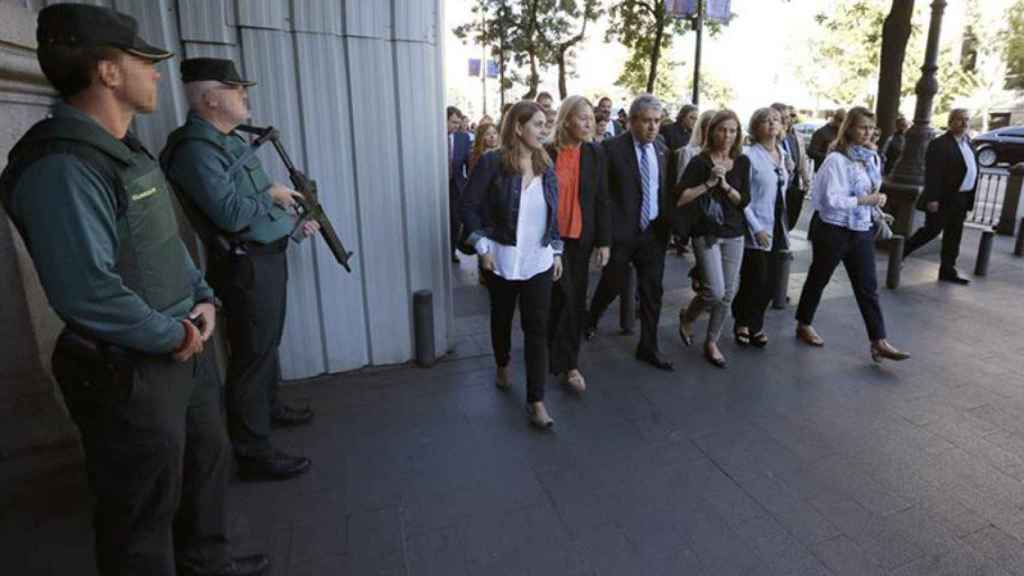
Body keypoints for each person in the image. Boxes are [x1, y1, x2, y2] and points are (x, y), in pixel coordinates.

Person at [0, 5, 268, 575]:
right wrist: (172, 335)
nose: (157, 73)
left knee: (204, 464)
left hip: (181, 343)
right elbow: (88, 290)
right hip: (136, 366)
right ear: (108, 72)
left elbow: (165, 242)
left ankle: (208, 563)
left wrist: (201, 295)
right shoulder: (63, 164)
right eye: (144, 61)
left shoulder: (125, 147)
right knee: (141, 513)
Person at [162, 58, 318, 482]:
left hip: (264, 257)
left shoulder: (228, 142)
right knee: (251, 355)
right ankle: (253, 450)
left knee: (265, 344)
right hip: (244, 265)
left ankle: (268, 408)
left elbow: (257, 209)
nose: (244, 95)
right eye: (234, 89)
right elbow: (231, 214)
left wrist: (295, 226)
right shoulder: (196, 149)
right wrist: (271, 193)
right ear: (210, 97)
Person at [460, 100, 564, 429]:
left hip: (539, 260)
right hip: (502, 258)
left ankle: (536, 401)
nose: (544, 129)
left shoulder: (547, 164)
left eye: (546, 124)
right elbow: (468, 206)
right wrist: (481, 246)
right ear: (518, 127)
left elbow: (553, 214)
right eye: (537, 123)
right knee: (502, 318)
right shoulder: (492, 163)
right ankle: (502, 362)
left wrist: (557, 251)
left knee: (537, 327)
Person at [795, 106, 910, 362]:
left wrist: (876, 206)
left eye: (872, 128)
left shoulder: (871, 157)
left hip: (861, 229)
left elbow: (870, 189)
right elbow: (828, 199)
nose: (868, 133)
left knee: (867, 287)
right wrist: (864, 200)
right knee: (818, 278)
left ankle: (878, 340)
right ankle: (804, 323)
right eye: (863, 127)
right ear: (849, 129)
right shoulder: (836, 159)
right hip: (833, 229)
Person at [586, 94, 676, 371]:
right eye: (647, 121)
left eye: (657, 121)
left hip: (652, 234)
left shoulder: (662, 148)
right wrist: (603, 238)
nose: (653, 127)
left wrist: (669, 228)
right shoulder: (611, 149)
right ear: (632, 121)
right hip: (621, 234)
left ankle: (648, 347)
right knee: (611, 283)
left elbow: (664, 190)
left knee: (652, 292)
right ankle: (590, 319)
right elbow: (600, 196)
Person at [545, 96, 611, 393]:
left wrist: (604, 242)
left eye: (592, 118)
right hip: (546, 240)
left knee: (574, 299)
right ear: (567, 119)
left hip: (579, 239)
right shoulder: (546, 151)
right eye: (583, 117)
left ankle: (570, 364)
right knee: (554, 299)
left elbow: (601, 199)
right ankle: (549, 349)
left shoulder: (595, 153)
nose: (590, 123)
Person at [675, 110, 751, 368]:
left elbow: (744, 201)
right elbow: (681, 197)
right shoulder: (699, 162)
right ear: (711, 131)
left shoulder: (742, 162)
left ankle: (711, 341)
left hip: (734, 232)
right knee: (714, 291)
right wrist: (709, 183)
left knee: (729, 293)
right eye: (722, 130)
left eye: (732, 130)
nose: (727, 136)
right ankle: (689, 315)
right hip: (706, 233)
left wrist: (726, 185)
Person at [733, 107, 789, 348]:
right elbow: (743, 199)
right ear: (755, 127)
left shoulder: (782, 154)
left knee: (771, 281)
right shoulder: (749, 155)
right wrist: (756, 227)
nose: (772, 124)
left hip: (778, 225)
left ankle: (757, 323)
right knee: (754, 278)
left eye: (776, 120)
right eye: (766, 121)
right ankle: (743, 322)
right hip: (756, 226)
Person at [902, 108, 978, 285]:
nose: (965, 123)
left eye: (967, 119)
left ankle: (947, 270)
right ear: (951, 122)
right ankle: (901, 252)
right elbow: (933, 174)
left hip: (962, 198)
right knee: (931, 231)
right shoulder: (940, 143)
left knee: (954, 235)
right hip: (943, 198)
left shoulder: (968, 143)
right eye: (960, 120)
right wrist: (932, 198)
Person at [773, 103, 812, 230]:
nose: (787, 120)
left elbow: (802, 160)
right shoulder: (771, 137)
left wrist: (806, 180)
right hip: (776, 184)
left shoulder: (794, 136)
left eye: (788, 116)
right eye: (782, 117)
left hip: (793, 184)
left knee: (790, 217)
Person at [447, 106, 471, 262]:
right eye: (453, 122)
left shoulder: (464, 138)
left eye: (458, 122)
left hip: (455, 185)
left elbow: (468, 164)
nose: (456, 126)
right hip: (435, 185)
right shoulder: (432, 135)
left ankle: (451, 251)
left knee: (456, 220)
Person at [676, 109, 717, 185]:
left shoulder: (722, 152)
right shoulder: (689, 151)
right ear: (702, 128)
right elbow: (681, 183)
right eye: (710, 127)